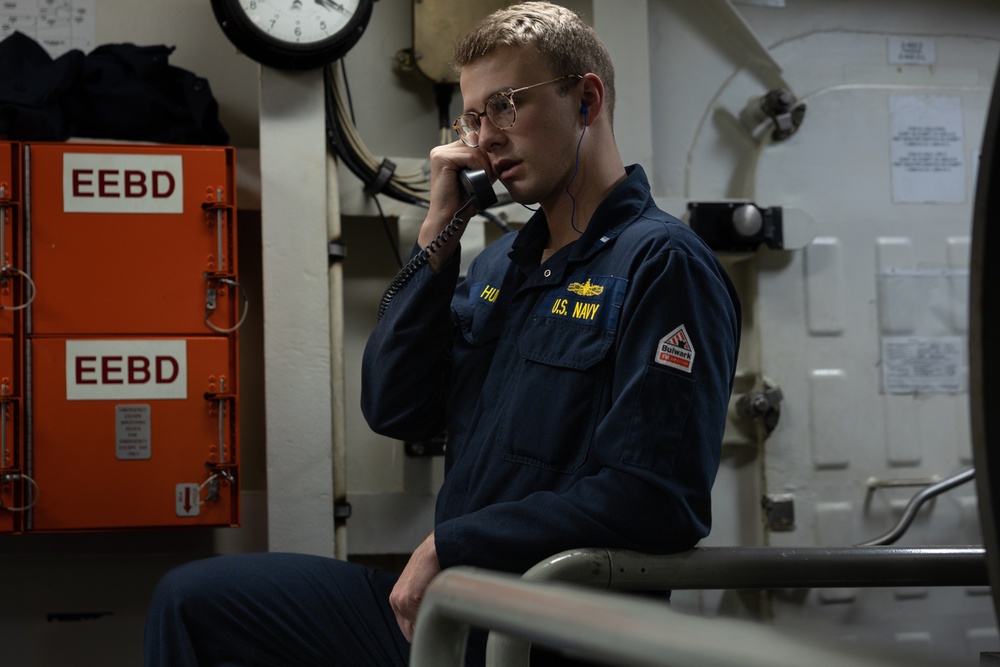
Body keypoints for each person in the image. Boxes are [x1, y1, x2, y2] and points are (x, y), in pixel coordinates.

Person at [143, 2, 741, 665]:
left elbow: (655, 499)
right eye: (474, 117)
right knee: (195, 602)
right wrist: (438, 240)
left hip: (548, 628)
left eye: (506, 106)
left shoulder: (661, 264)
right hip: (456, 607)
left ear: (587, 100)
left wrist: (450, 544)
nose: (485, 137)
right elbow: (396, 406)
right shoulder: (500, 265)